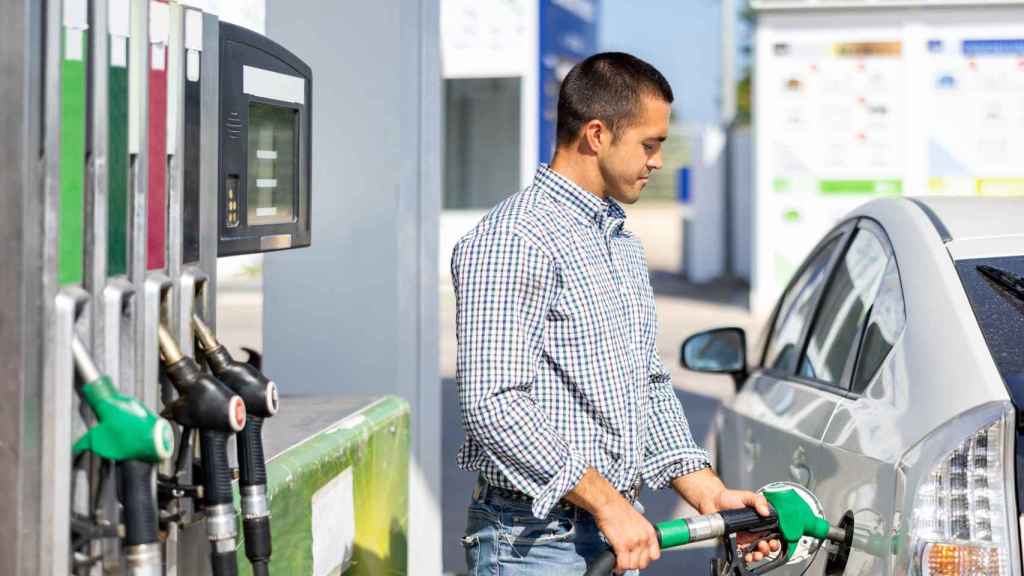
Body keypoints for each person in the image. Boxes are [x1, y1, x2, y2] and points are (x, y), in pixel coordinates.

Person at [451, 52, 778, 575]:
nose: (657, 162)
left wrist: (708, 490)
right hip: (532, 541)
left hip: (611, 531)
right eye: (650, 144)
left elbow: (643, 381)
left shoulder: (618, 241)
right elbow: (493, 401)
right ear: (598, 135)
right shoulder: (515, 239)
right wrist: (607, 502)